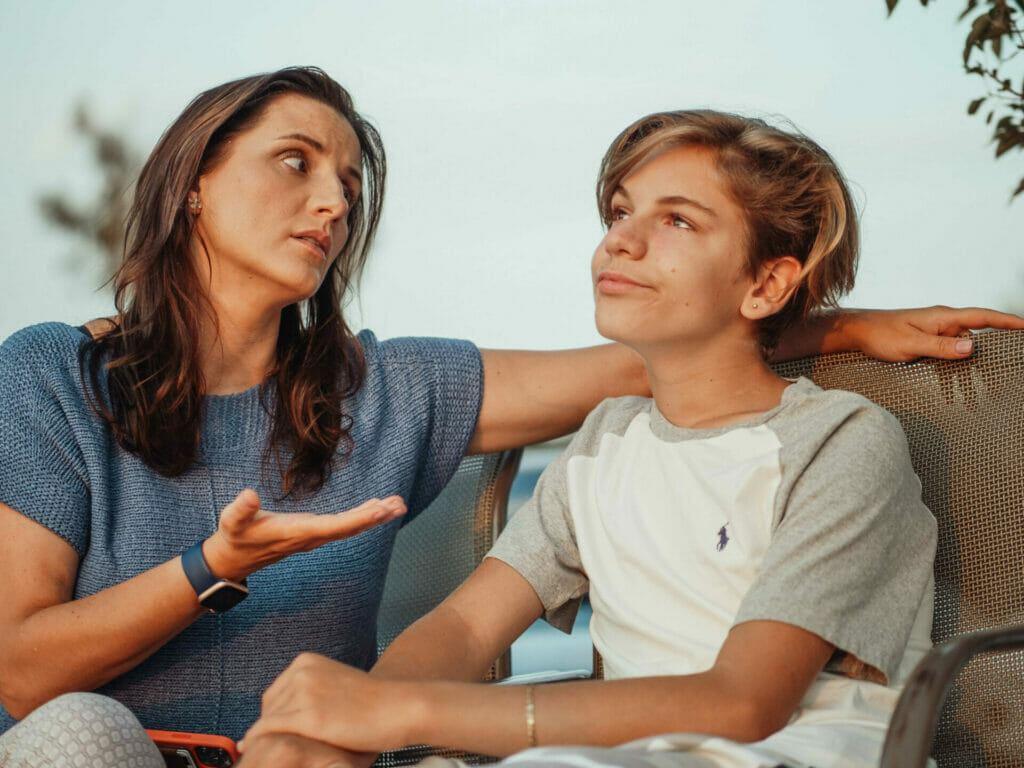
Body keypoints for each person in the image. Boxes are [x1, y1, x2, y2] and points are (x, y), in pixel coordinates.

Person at [0, 66, 1018, 763]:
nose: (334, 205)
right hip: (116, 747)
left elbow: (658, 358)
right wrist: (213, 572)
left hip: (333, 754)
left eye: (350, 185)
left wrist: (840, 327)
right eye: (295, 162)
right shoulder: (57, 375)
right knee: (71, 730)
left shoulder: (388, 390)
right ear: (192, 184)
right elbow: (18, 666)